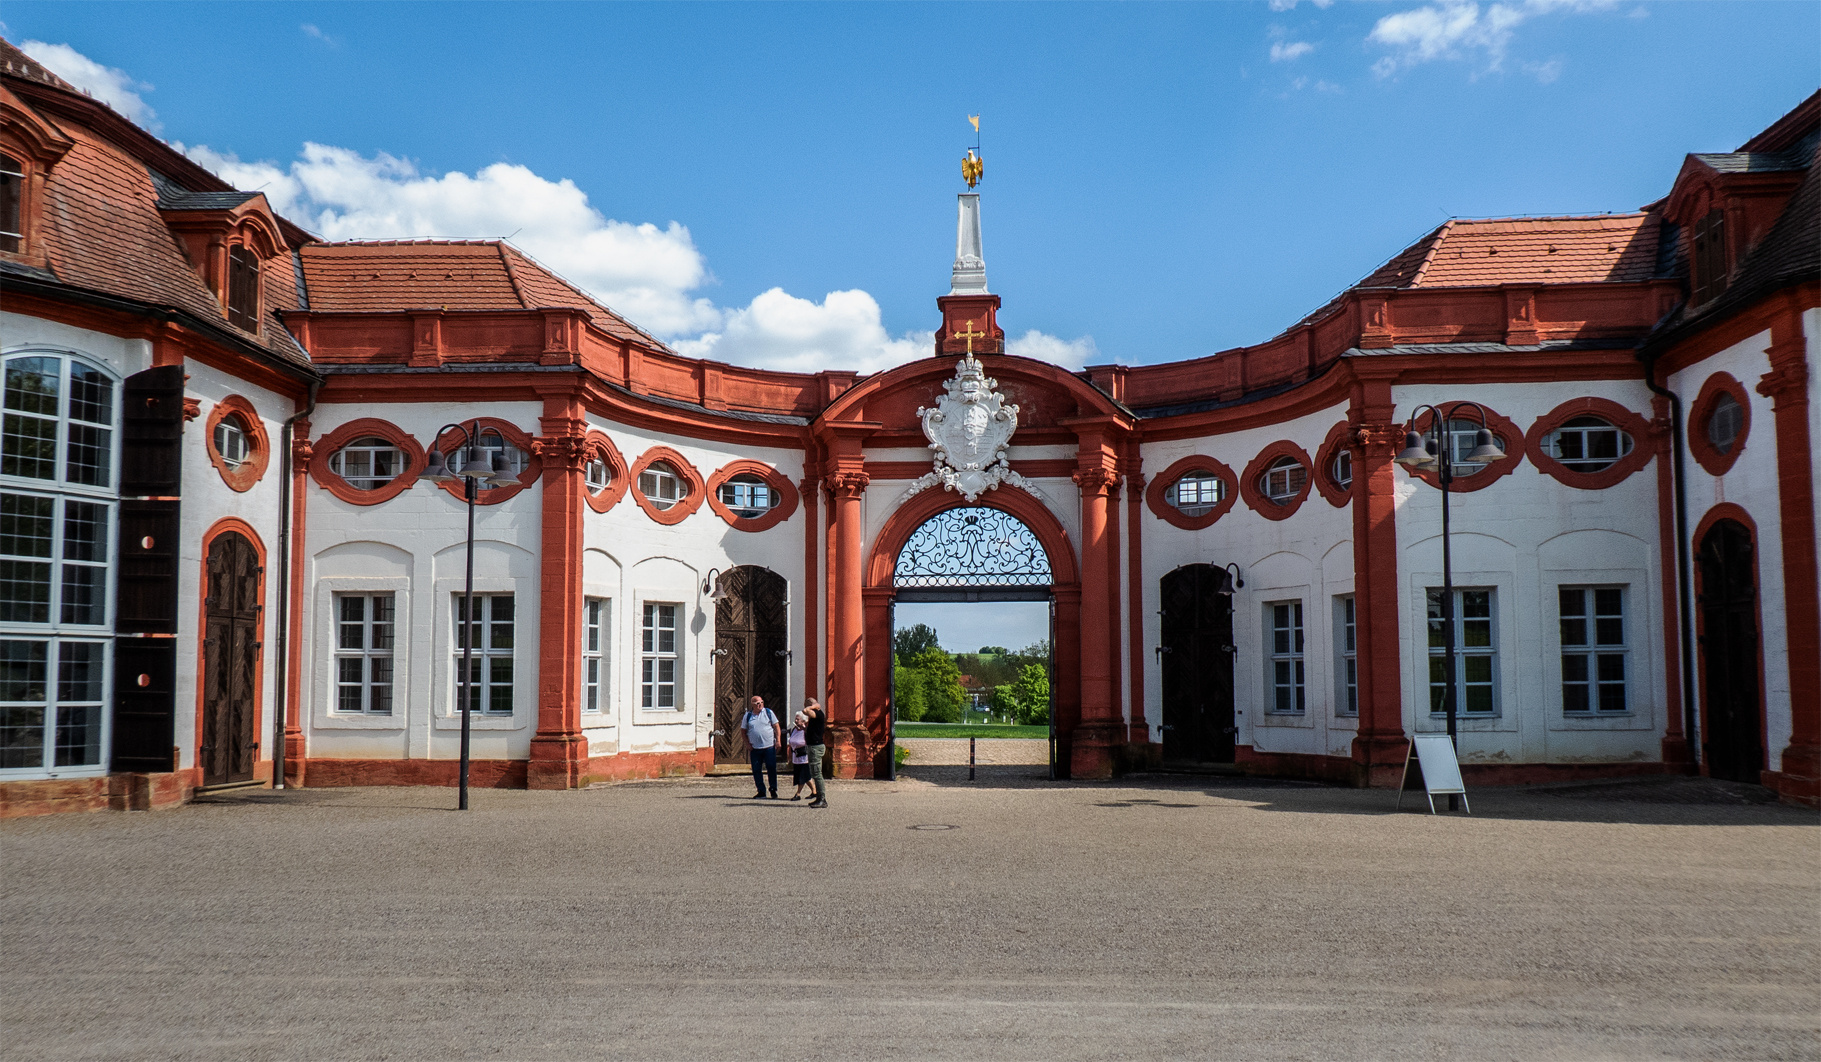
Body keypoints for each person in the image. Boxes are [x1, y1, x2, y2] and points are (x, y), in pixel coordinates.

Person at [735, 695, 780, 799]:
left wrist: (778, 740)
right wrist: (747, 743)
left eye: (761, 702)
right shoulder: (748, 715)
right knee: (756, 770)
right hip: (755, 748)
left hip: (769, 746)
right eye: (757, 703)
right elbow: (743, 731)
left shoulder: (768, 713)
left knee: (771, 768)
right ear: (752, 705)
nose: (760, 705)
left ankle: (773, 789)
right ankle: (761, 791)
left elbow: (776, 726)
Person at [802, 697, 828, 809]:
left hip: (816, 747)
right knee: (815, 773)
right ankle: (818, 797)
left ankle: (822, 799)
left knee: (817, 774)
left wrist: (813, 706)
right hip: (814, 746)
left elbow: (805, 711)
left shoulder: (818, 713)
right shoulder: (816, 716)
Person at [786, 712, 813, 800]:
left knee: (802, 775)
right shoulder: (794, 729)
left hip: (804, 756)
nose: (796, 721)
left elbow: (809, 742)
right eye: (796, 719)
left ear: (804, 721)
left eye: (798, 719)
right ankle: (815, 791)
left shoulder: (806, 731)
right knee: (806, 776)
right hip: (796, 755)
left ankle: (798, 794)